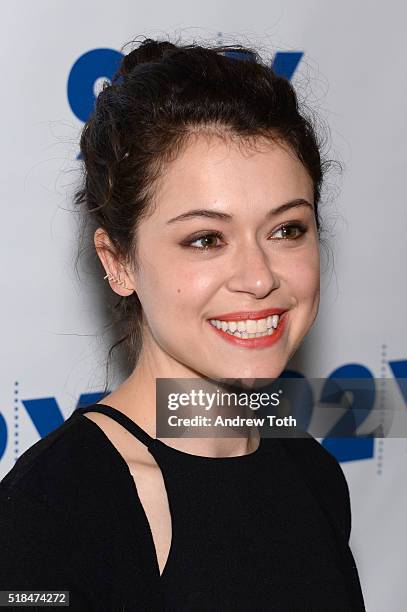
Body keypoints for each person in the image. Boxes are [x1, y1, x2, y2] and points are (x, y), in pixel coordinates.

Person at [0, 37, 366, 611]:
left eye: (286, 229)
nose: (258, 276)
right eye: (205, 239)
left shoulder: (312, 472)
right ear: (118, 262)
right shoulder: (58, 508)